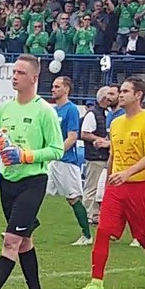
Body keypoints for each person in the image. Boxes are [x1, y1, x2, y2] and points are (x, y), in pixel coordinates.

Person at [0, 54, 64, 289]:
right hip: (7, 180)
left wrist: (26, 155)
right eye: (14, 72)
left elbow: (57, 149)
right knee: (23, 241)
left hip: (32, 181)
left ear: (34, 78)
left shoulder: (44, 111)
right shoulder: (4, 109)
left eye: (20, 72)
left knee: (11, 239)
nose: (14, 76)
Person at [73, 77, 145, 289]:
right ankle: (96, 282)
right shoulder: (116, 123)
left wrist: (127, 173)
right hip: (117, 188)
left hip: (140, 188)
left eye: (125, 91)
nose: (119, 95)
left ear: (138, 95)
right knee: (103, 231)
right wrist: (107, 180)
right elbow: (114, 155)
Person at [47, 76, 91, 246]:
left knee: (72, 198)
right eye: (52, 86)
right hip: (51, 161)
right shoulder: (53, 111)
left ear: (66, 89)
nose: (53, 89)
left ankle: (86, 235)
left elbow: (72, 137)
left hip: (66, 161)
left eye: (57, 86)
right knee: (34, 192)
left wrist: (56, 152)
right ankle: (21, 230)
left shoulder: (71, 110)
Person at [80, 86, 117, 223]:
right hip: (95, 156)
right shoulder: (92, 114)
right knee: (91, 187)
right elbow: (85, 133)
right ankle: (89, 214)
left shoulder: (104, 114)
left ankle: (94, 214)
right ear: (103, 98)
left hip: (103, 156)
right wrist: (99, 140)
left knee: (98, 187)